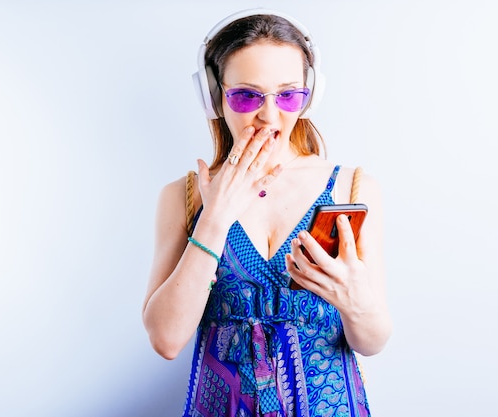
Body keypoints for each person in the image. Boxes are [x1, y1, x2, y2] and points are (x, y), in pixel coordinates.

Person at [142, 8, 391, 417]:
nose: (270, 116)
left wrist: (354, 300)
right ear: (214, 97)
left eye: (289, 95)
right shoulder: (183, 196)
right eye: (246, 95)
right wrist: (216, 216)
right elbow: (166, 340)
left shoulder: (353, 188)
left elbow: (372, 341)